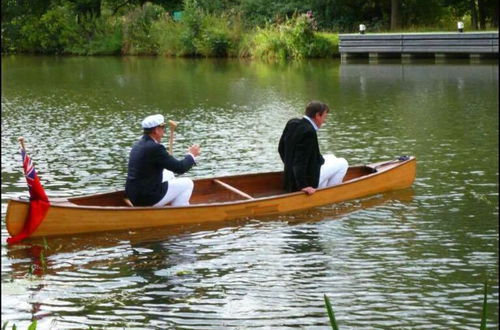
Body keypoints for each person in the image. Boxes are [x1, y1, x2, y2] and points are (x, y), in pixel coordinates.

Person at [125, 114, 201, 207]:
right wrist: (191, 155)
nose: (164, 130)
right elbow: (180, 168)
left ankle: (170, 201)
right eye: (163, 127)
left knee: (169, 173)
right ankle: (179, 210)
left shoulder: (138, 145)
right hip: (146, 198)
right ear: (156, 130)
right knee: (188, 183)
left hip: (132, 194)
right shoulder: (156, 148)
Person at [278, 101, 348, 195]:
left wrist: (289, 167)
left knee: (331, 157)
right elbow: (299, 162)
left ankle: (323, 186)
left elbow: (281, 149)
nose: (324, 121)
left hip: (289, 178)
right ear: (317, 115)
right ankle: (330, 194)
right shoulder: (309, 131)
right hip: (304, 183)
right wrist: (303, 185)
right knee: (343, 162)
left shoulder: (292, 122)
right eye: (324, 117)